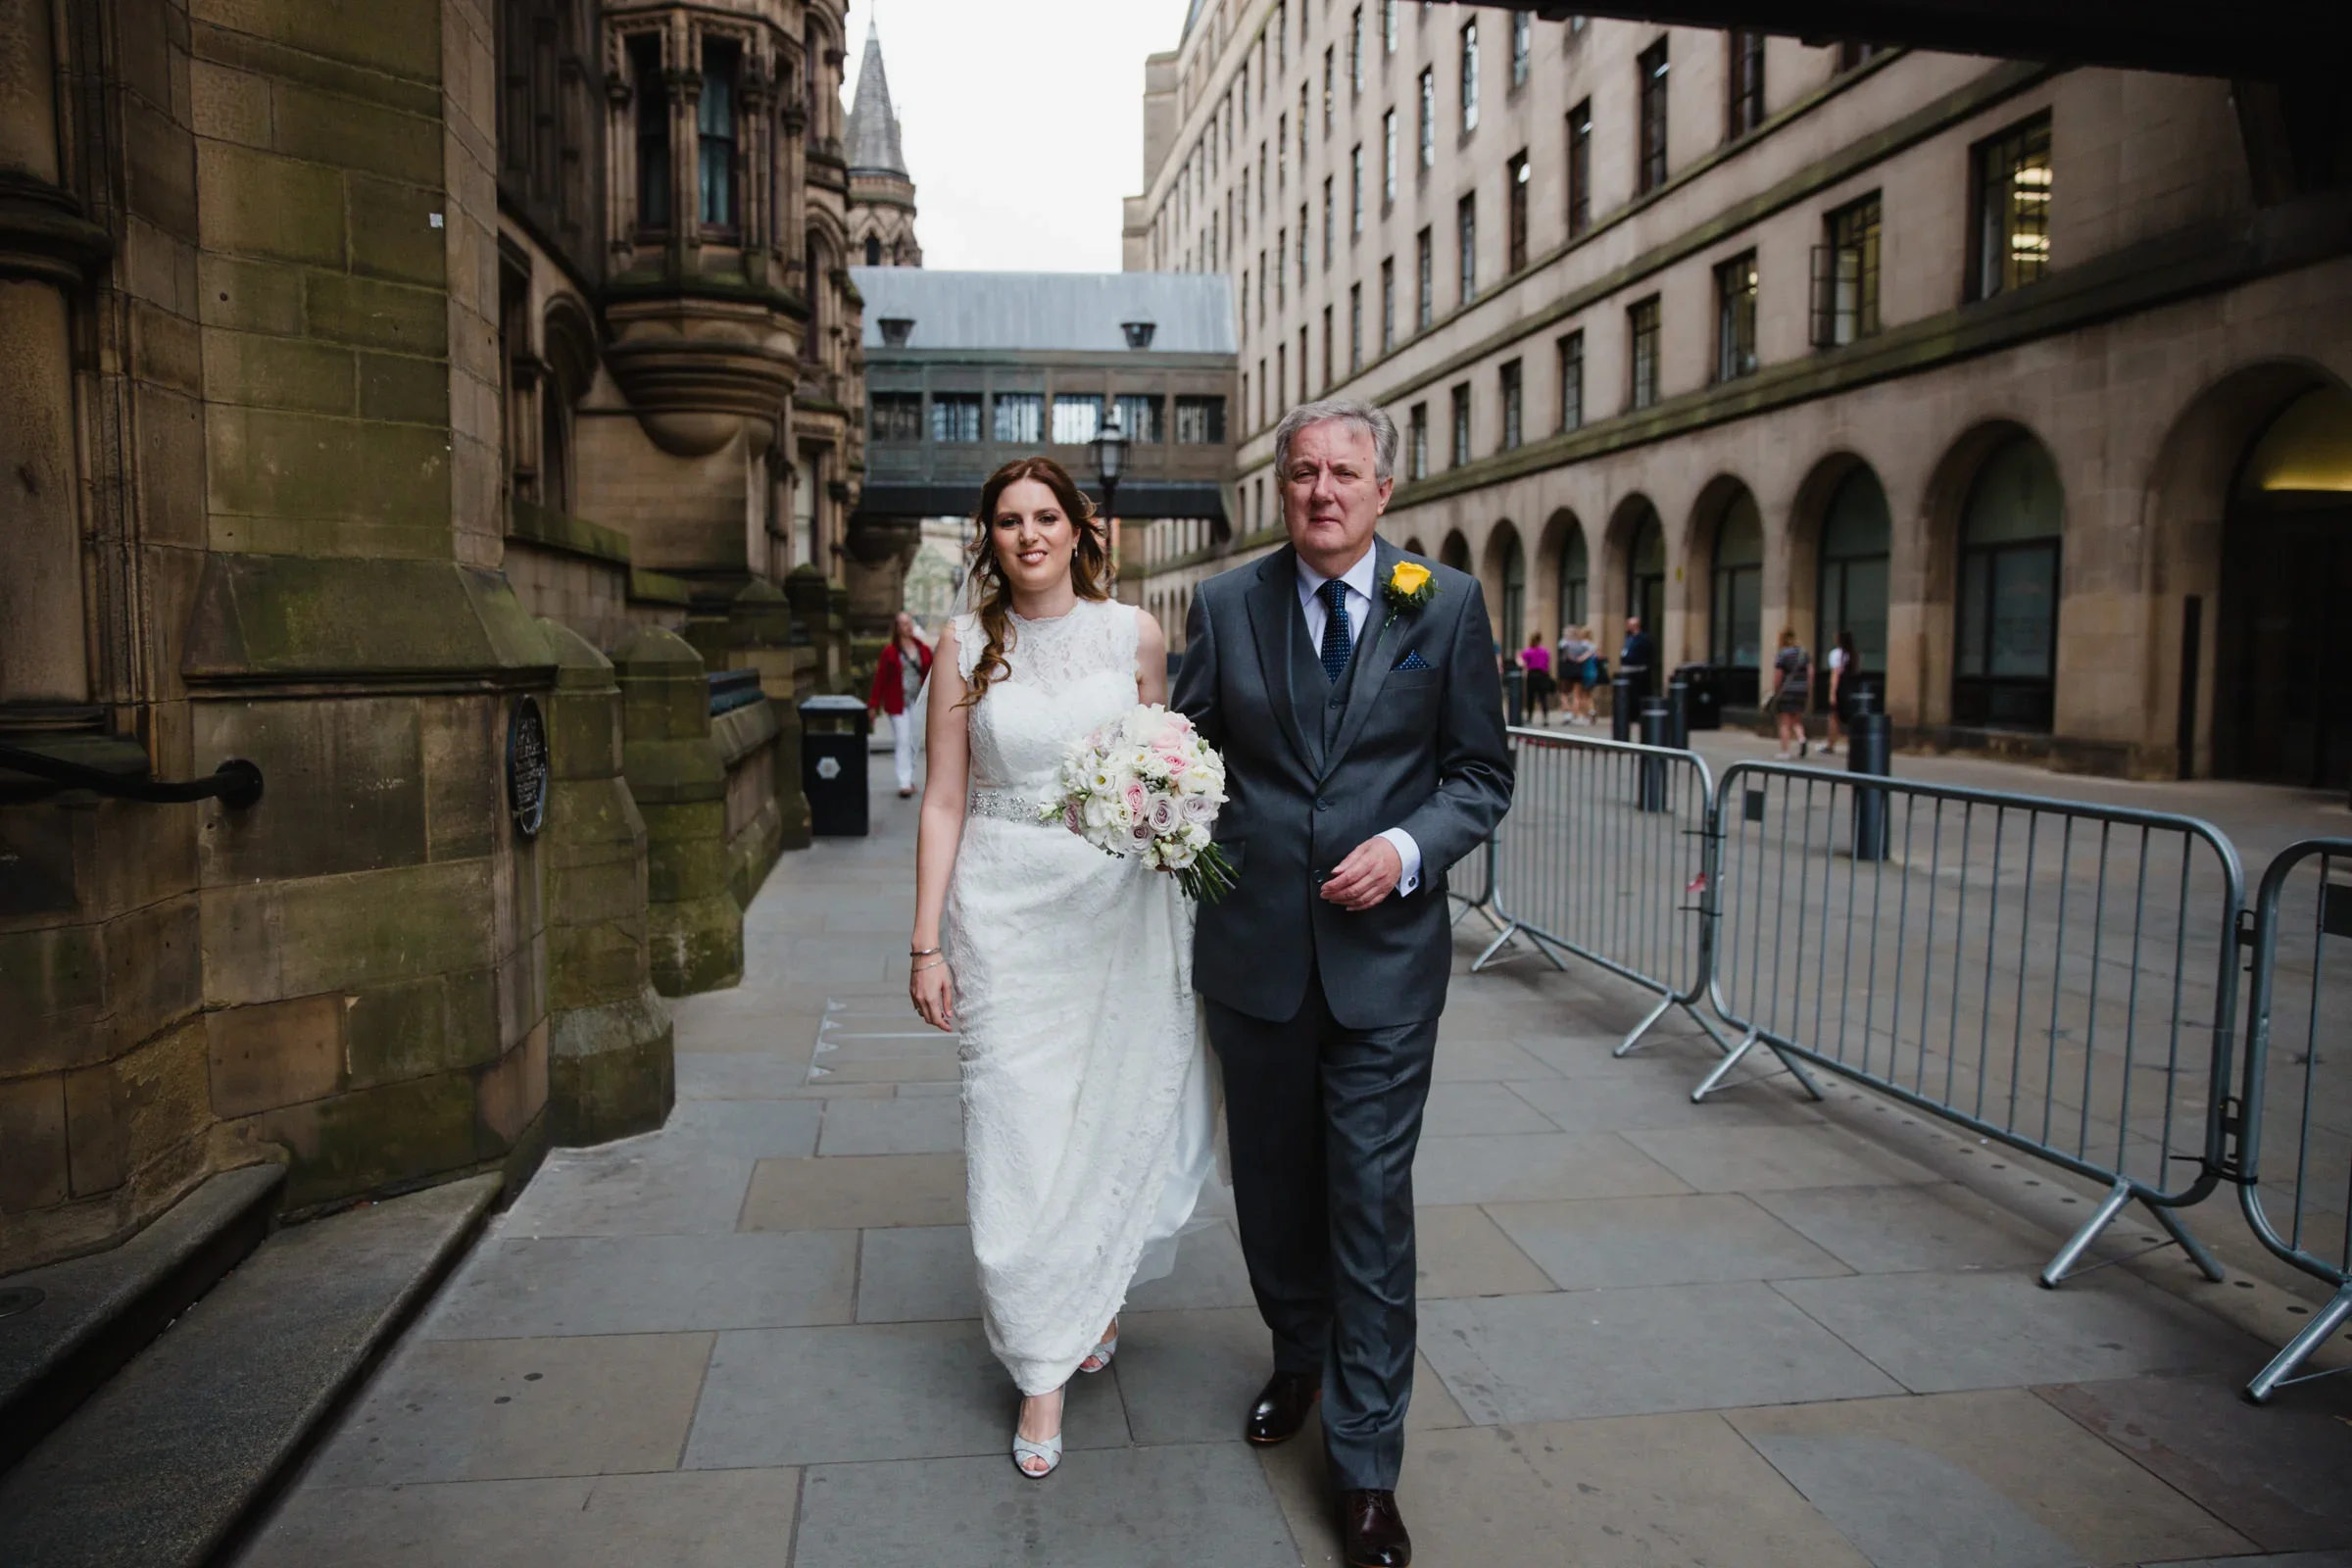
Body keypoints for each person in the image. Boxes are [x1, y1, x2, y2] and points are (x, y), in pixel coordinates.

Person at [1173, 400, 1513, 1568]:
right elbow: (1187, 754)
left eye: (1346, 474)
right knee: (1272, 1191)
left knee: (1368, 1202)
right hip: (1256, 957)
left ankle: (1368, 1467)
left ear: (1383, 492)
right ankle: (1298, 1353)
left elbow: (1478, 773)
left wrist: (1410, 849)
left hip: (1383, 970)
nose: (1324, 491)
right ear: (1283, 488)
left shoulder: (1440, 603)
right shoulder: (1227, 604)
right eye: (1304, 472)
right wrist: (1160, 806)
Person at [906, 457, 1215, 1480]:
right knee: (1015, 1122)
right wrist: (926, 940)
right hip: (1002, 910)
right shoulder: (960, 647)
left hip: (1116, 906)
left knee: (1111, 1106)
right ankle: (1041, 1361)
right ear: (987, 536)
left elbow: (1160, 759)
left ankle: (1088, 1295)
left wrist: (1168, 818)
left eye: (1046, 516)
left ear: (1081, 529)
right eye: (1007, 520)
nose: (1028, 535)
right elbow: (943, 799)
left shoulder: (1133, 635)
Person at [867, 611, 933, 798]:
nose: (907, 626)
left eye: (908, 622)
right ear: (897, 628)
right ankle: (904, 782)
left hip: (916, 701)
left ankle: (909, 777)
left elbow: (932, 677)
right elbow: (880, 679)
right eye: (902, 623)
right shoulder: (890, 652)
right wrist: (873, 704)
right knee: (903, 740)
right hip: (897, 703)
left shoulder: (923, 650)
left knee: (912, 741)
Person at [1772, 626, 1813, 760]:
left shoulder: (1782, 654)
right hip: (1801, 690)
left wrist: (1776, 691)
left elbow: (1778, 676)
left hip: (1787, 691)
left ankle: (1785, 751)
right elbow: (1810, 673)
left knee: (1784, 722)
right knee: (1796, 719)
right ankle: (1802, 738)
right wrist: (1807, 688)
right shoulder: (1803, 653)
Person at [1823, 628, 1857, 757]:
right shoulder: (1853, 655)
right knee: (1849, 718)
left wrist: (1832, 693)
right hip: (1850, 687)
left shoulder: (1836, 654)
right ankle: (1853, 744)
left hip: (1840, 688)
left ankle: (1830, 744)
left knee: (1833, 717)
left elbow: (1835, 675)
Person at [1558, 623, 1598, 726]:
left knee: (1565, 693)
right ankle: (1578, 714)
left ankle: (1570, 714)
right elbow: (1593, 654)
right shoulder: (1583, 645)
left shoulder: (1565, 643)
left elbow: (1568, 656)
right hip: (1580, 671)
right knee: (1579, 695)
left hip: (1568, 670)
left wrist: (1575, 659)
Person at [1518, 632, 1555, 724]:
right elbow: (1548, 664)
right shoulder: (1545, 651)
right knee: (1543, 697)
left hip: (1532, 675)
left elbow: (1522, 663)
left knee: (1530, 697)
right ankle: (1545, 718)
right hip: (1543, 675)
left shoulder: (1528, 651)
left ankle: (1529, 717)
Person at [1620, 614, 1658, 703]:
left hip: (1639, 672)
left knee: (1637, 696)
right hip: (1628, 671)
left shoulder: (1643, 639)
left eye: (1628, 624)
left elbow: (1648, 654)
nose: (1626, 627)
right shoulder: (1629, 638)